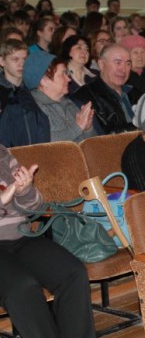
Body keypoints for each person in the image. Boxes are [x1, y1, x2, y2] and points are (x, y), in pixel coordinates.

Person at [0, 144, 96, 337]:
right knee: (23, 288)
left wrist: (25, 191)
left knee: (73, 273)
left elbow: (34, 208)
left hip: (21, 236)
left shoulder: (2, 154)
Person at [25, 52, 97, 142]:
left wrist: (88, 129)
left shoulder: (69, 103)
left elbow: (92, 145)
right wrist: (78, 127)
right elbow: (45, 141)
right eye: (62, 74)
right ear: (44, 81)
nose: (69, 79)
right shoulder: (33, 109)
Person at [72, 45, 140, 134]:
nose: (123, 69)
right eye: (118, 63)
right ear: (101, 64)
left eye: (128, 64)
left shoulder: (134, 92)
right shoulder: (86, 96)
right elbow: (103, 134)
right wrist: (143, 126)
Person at [0, 39, 50, 147]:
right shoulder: (2, 93)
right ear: (2, 61)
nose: (22, 64)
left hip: (34, 151)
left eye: (25, 59)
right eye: (15, 59)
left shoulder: (31, 89)